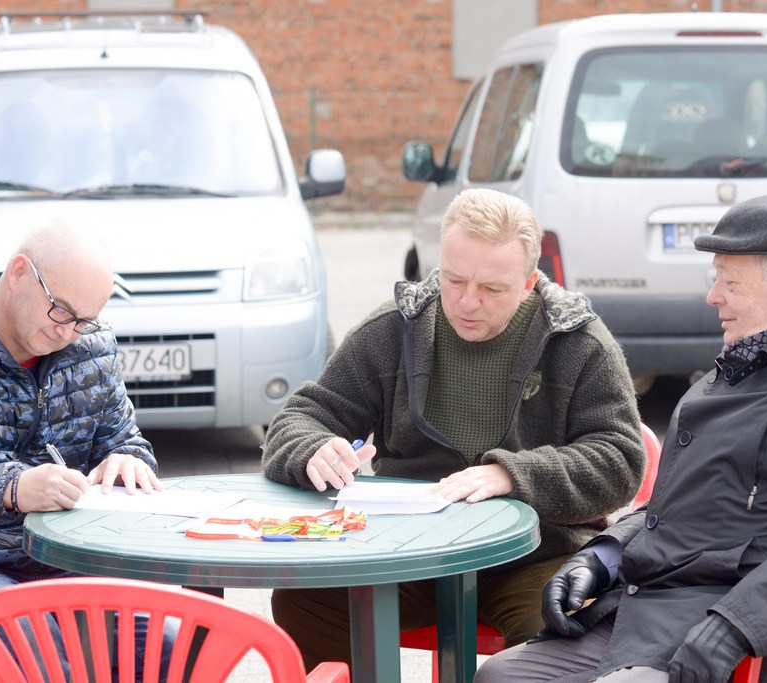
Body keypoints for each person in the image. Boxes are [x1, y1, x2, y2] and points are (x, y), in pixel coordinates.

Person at [474, 193, 767, 683]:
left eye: (729, 281)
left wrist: (737, 626)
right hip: (652, 611)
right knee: (501, 677)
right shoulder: (732, 372)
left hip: (764, 639)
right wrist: (601, 557)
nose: (714, 296)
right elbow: (671, 507)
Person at [261, 187, 646, 669]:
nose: (468, 302)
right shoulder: (391, 331)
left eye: (492, 289)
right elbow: (301, 417)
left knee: (561, 628)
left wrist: (514, 475)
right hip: (408, 550)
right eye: (455, 279)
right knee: (306, 601)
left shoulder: (579, 342)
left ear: (529, 283)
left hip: (537, 554)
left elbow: (621, 459)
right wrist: (311, 448)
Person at [0, 219, 173, 678]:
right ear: (18, 273)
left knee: (174, 640)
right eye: (61, 311)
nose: (69, 333)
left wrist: (128, 460)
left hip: (72, 560)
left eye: (84, 319)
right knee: (46, 651)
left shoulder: (92, 346)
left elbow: (127, 442)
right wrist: (12, 489)